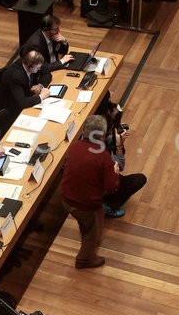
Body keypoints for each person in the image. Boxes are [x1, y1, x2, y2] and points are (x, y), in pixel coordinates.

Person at [61, 115, 146, 268]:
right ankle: (85, 260)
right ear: (101, 136)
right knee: (91, 234)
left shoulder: (74, 146)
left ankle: (91, 235)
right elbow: (112, 187)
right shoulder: (102, 156)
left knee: (91, 222)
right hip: (85, 204)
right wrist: (115, 173)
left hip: (67, 198)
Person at [0, 49, 51, 115]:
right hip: (11, 105)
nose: (39, 69)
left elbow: (47, 73)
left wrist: (40, 85)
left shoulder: (31, 62)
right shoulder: (16, 77)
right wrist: (41, 96)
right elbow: (22, 103)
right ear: (30, 68)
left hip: (27, 95)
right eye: (37, 68)